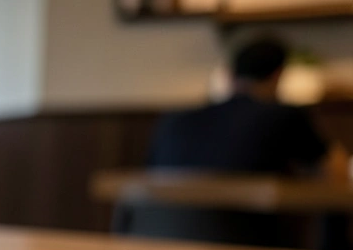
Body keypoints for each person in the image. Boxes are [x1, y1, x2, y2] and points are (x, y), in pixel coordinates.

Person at [149, 37, 348, 176]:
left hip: (153, 234)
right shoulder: (282, 116)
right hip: (246, 235)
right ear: (278, 75)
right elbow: (334, 171)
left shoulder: (175, 121)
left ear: (230, 74)